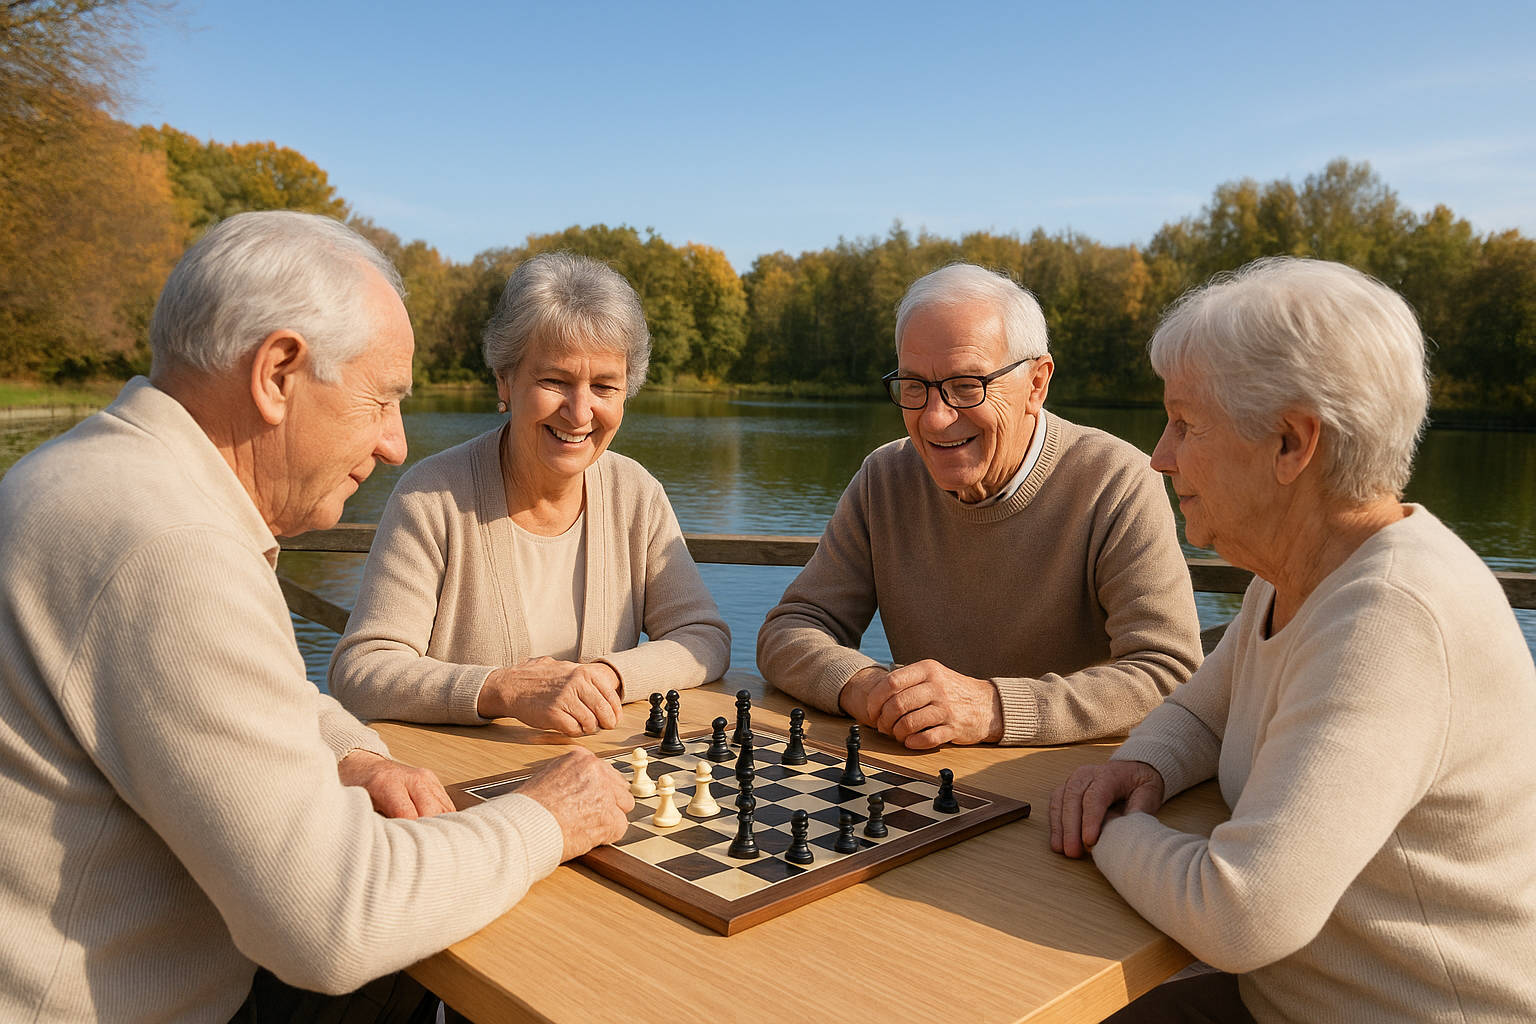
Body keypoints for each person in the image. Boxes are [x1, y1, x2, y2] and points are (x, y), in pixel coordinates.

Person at [0, 211, 635, 1024]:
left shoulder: (95, 474)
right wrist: (546, 818)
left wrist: (354, 756)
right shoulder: (173, 547)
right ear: (277, 374)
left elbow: (256, 692)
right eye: (382, 400)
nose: (397, 444)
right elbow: (334, 925)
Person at [1049, 257, 1536, 1023]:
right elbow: (1204, 714)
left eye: (1185, 423)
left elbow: (1240, 914)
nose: (1160, 456)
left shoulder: (1390, 615)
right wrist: (1140, 765)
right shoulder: (1295, 574)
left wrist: (1109, 828)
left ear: (1290, 442)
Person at [757, 263, 1201, 748]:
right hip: (919, 770)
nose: (935, 418)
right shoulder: (884, 478)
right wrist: (867, 687)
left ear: (1036, 384)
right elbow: (790, 630)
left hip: (1062, 777)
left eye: (967, 385)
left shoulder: (1115, 480)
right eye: (914, 386)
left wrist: (992, 708)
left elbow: (1168, 672)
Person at [329, 252, 728, 733]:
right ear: (505, 379)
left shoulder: (636, 494)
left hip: (591, 766)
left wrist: (605, 677)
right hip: (457, 771)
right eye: (555, 381)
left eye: (604, 386)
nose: (580, 413)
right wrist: (501, 689)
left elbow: (703, 637)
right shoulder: (432, 497)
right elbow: (362, 671)